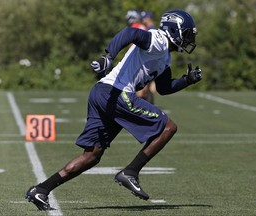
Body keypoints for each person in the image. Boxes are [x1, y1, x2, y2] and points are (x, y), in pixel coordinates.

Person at [25, 9, 202, 211]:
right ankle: (131, 172)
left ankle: (41, 190)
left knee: (92, 155)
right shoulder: (158, 39)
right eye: (187, 34)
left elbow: (164, 88)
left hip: (102, 93)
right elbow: (130, 33)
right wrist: (108, 56)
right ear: (175, 29)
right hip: (117, 92)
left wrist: (186, 81)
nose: (188, 40)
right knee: (168, 127)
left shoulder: (164, 58)